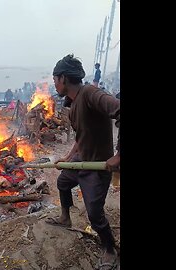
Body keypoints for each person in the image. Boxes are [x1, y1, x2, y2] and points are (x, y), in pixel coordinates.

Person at [45, 54, 120, 269]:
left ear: (64, 78)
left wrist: (118, 155)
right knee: (62, 183)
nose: (54, 83)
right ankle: (65, 218)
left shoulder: (90, 94)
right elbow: (81, 137)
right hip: (80, 160)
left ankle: (109, 248)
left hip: (97, 165)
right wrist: (68, 158)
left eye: (54, 79)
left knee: (95, 214)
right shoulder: (74, 101)